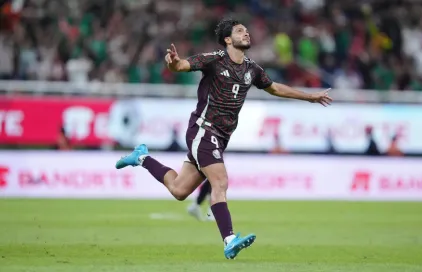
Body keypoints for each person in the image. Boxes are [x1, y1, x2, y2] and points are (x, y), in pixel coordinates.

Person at [115, 18, 332, 260]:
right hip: (203, 129)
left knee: (179, 190)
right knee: (220, 182)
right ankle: (229, 240)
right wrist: (174, 63)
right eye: (240, 31)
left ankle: (142, 157)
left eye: (247, 30)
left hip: (221, 137)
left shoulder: (252, 69)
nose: (246, 33)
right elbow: (183, 65)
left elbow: (275, 88)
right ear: (228, 39)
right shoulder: (214, 59)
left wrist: (310, 98)